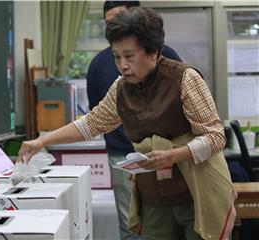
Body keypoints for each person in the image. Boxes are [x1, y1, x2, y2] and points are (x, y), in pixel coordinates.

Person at [18, 6, 236, 240]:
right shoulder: (121, 87)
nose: (122, 65)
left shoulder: (184, 78)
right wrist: (42, 140)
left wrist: (176, 155)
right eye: (116, 56)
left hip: (196, 191)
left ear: (152, 52)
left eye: (129, 56)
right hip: (154, 195)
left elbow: (215, 136)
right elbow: (91, 124)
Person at [86, 1, 181, 239]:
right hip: (122, 155)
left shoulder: (170, 62)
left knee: (172, 219)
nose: (123, 65)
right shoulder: (100, 65)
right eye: (108, 22)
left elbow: (201, 126)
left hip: (167, 154)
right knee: (131, 226)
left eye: (128, 56)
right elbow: (95, 116)